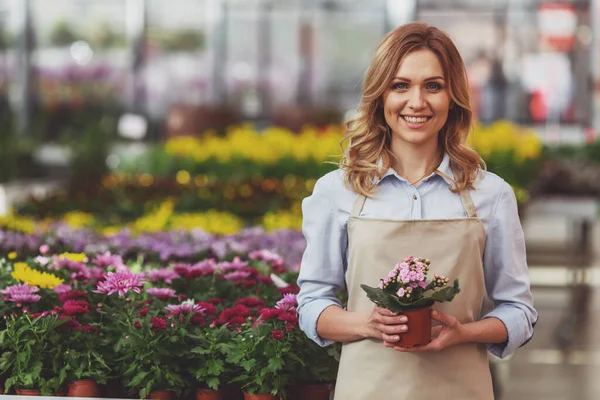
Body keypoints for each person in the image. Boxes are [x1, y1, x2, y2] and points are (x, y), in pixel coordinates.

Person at [296, 22, 537, 400]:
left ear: (453, 97)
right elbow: (312, 305)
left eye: (433, 86)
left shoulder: (492, 195)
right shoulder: (336, 193)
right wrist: (368, 324)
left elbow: (519, 312)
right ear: (380, 95)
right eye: (400, 85)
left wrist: (464, 332)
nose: (417, 102)